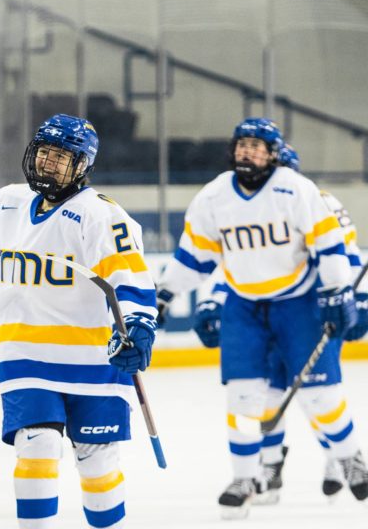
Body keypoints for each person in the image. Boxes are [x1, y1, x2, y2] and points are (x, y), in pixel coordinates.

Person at [0, 113, 157, 528]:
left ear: (81, 166)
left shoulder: (101, 215)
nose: (48, 162)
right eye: (44, 152)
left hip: (94, 360)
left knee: (97, 461)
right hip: (24, 356)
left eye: (61, 157)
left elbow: (130, 277)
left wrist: (137, 326)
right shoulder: (6, 203)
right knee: (37, 448)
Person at [156, 117, 365, 519]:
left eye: (257, 145)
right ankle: (246, 477)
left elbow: (330, 243)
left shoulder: (296, 190)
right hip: (245, 306)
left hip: (298, 304)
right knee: (244, 398)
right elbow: (196, 256)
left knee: (319, 396)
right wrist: (166, 293)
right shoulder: (214, 196)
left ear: (273, 154)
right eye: (241, 144)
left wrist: (340, 290)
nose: (247, 151)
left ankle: (348, 455)